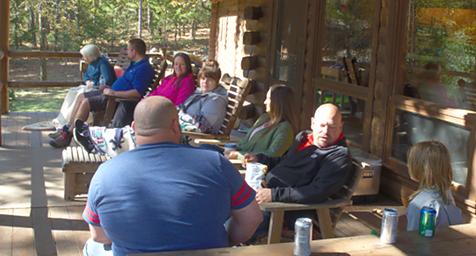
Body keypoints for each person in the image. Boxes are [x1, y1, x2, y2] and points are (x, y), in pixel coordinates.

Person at [82, 96, 262, 256]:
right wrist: (226, 241)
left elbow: (99, 235)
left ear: (134, 128)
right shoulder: (216, 163)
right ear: (176, 126)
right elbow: (252, 218)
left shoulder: (105, 172)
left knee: (91, 247)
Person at [73, 61, 226, 156]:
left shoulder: (215, 100)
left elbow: (202, 127)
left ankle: (97, 139)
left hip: (189, 139)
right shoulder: (200, 93)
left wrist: (175, 120)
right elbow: (182, 109)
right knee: (139, 130)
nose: (205, 82)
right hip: (178, 129)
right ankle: (96, 136)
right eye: (203, 78)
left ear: (216, 80)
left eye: (210, 79)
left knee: (144, 134)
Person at [243, 103, 353, 234]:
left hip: (285, 210)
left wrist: (273, 195)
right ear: (313, 123)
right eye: (322, 125)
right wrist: (260, 159)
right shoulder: (303, 137)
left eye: (332, 127)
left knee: (237, 222)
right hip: (264, 193)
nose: (325, 131)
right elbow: (284, 160)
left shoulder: (338, 156)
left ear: (341, 127)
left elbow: (317, 191)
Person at [49, 38, 155, 148]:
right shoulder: (134, 64)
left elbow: (137, 93)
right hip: (110, 93)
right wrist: (108, 88)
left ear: (134, 51)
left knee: (86, 102)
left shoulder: (144, 69)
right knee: (81, 96)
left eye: (128, 50)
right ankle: (67, 129)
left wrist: (113, 93)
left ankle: (68, 135)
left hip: (116, 99)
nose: (127, 52)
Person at [48, 44, 116, 129]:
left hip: (98, 89)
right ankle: (63, 119)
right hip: (89, 86)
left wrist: (94, 83)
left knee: (79, 94)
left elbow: (107, 80)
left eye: (85, 56)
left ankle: (70, 122)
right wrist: (87, 81)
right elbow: (86, 76)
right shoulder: (91, 63)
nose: (83, 58)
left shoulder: (103, 63)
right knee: (72, 92)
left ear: (91, 56)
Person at [226, 84, 298, 159]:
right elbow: (245, 142)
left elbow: (271, 156)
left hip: (254, 167)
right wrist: (233, 149)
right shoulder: (264, 118)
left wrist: (239, 155)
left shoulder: (285, 129)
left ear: (278, 102)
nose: (265, 102)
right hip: (238, 158)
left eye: (268, 99)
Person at [406, 141, 463, 231]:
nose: (407, 165)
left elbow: (414, 237)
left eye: (410, 163)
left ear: (419, 168)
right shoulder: (447, 195)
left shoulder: (417, 204)